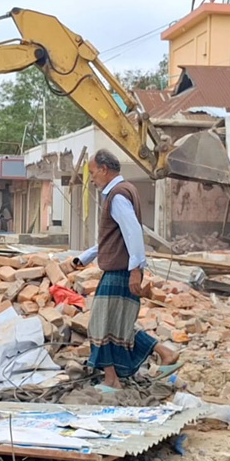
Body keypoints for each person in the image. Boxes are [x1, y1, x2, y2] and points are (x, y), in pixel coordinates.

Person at [64, 150, 178, 391]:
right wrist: (85, 257)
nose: (92, 178)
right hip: (120, 269)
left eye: (93, 172)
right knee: (118, 325)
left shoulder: (117, 196)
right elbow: (114, 237)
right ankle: (163, 353)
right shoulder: (124, 190)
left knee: (101, 325)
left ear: (104, 169)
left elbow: (133, 233)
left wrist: (137, 269)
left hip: (120, 272)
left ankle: (111, 379)